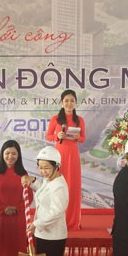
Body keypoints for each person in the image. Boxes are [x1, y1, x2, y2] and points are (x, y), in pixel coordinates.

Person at [21, 146, 69, 256]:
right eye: (40, 167)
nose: (43, 171)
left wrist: (36, 224)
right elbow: (44, 190)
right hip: (43, 234)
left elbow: (56, 212)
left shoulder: (59, 186)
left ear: (57, 166)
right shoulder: (49, 180)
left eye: (46, 168)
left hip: (53, 237)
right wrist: (32, 181)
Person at [46, 89, 86, 230]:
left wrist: (78, 138)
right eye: (66, 100)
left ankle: (72, 221)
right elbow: (48, 136)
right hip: (59, 155)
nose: (69, 103)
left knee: (72, 187)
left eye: (72, 100)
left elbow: (83, 138)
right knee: (58, 186)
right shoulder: (55, 119)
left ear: (75, 102)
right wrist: (58, 135)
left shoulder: (79, 120)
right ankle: (56, 220)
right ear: (62, 102)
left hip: (73, 155)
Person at [0, 140, 30, 256]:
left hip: (19, 217)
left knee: (18, 244)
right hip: (2, 217)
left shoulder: (23, 174)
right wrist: (3, 209)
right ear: (2, 154)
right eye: (7, 153)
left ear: (19, 155)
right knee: (2, 245)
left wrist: (17, 208)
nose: (10, 157)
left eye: (14, 154)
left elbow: (29, 197)